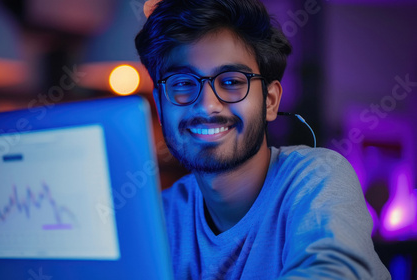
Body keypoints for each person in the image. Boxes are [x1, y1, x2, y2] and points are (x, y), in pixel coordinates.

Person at [135, 0, 390, 278]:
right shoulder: (161, 216)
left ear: (270, 102)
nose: (207, 105)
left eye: (231, 81)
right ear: (161, 108)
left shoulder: (317, 177)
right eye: (183, 83)